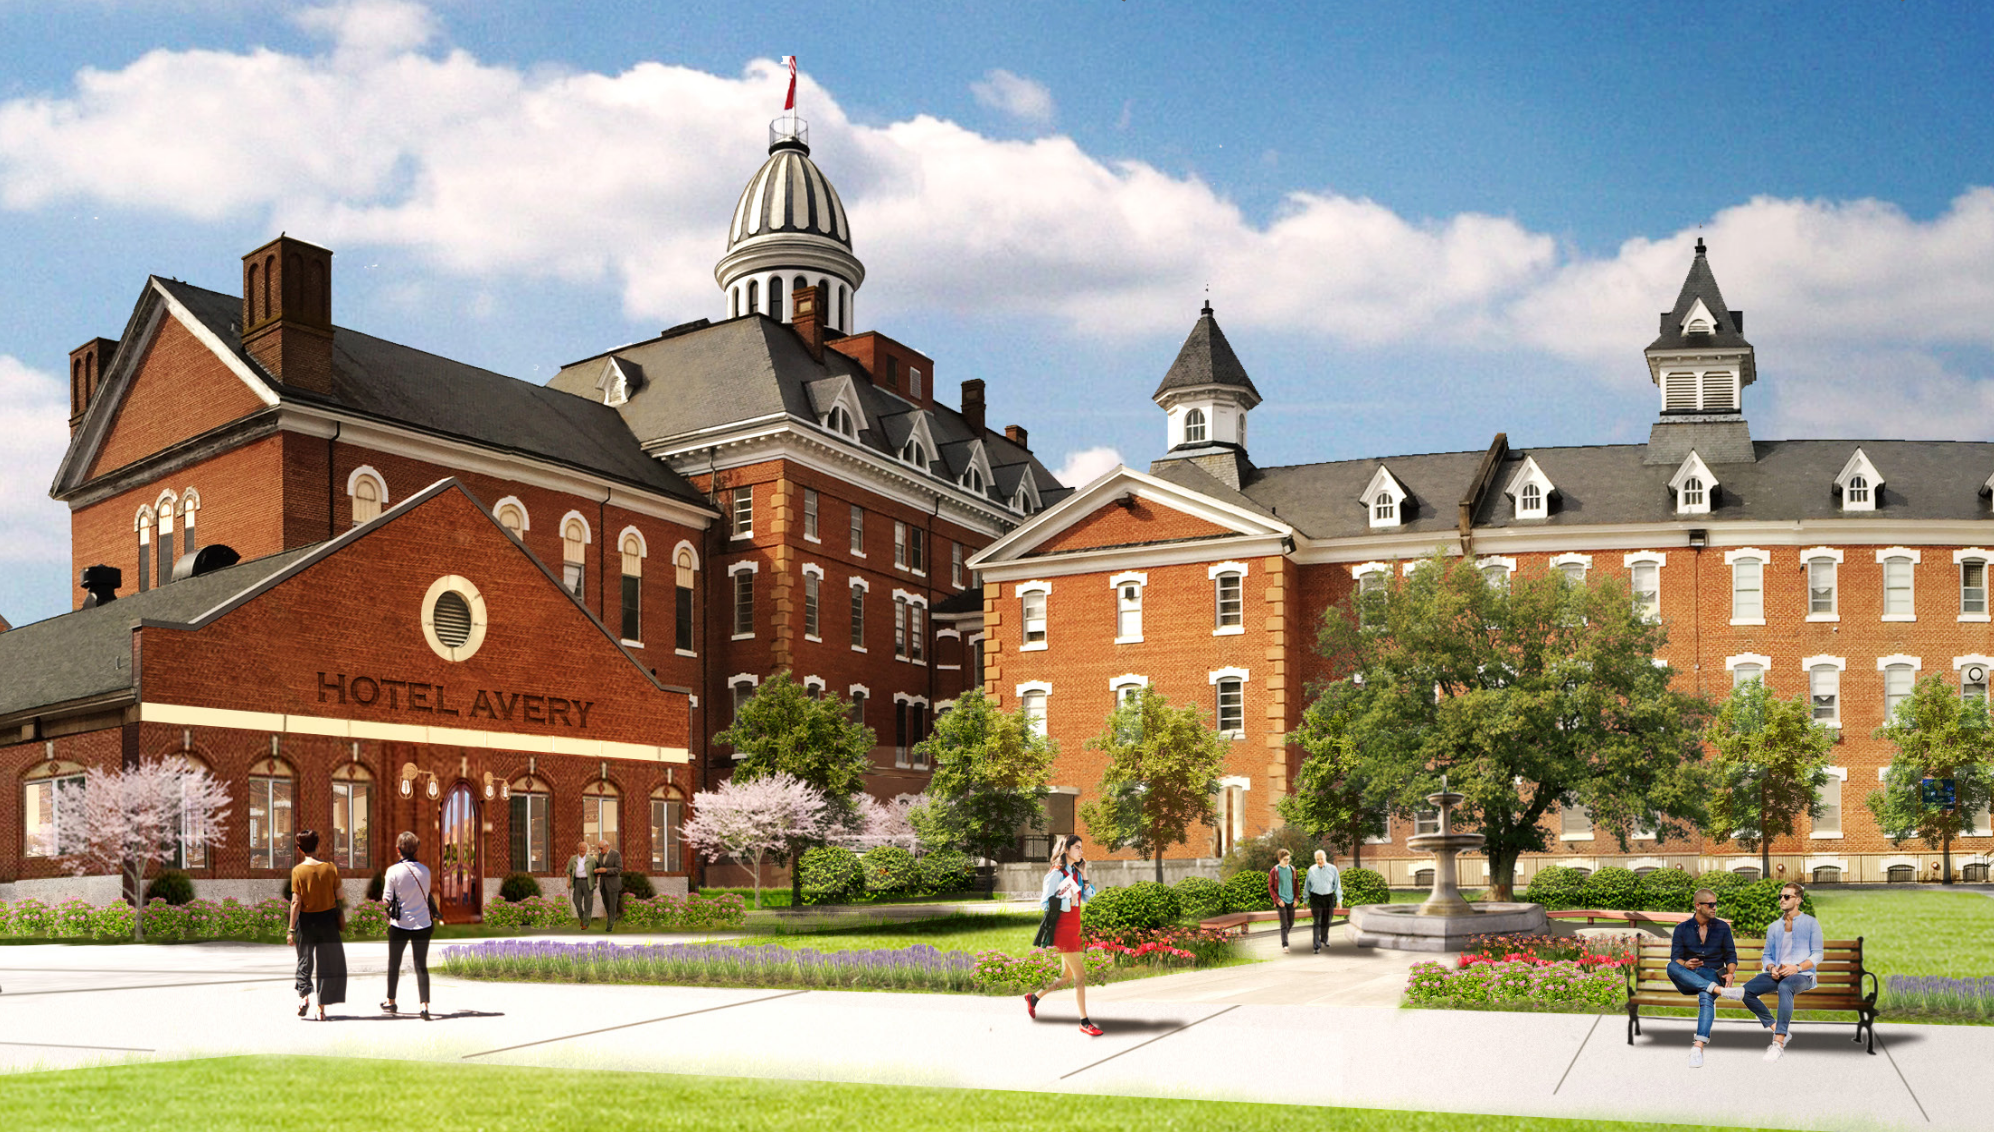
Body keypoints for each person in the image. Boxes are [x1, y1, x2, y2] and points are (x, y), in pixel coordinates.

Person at [1024, 834, 1102, 1036]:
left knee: (1067, 976)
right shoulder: (1056, 874)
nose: (1081, 851)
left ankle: (1033, 998)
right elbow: (1045, 903)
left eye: (1081, 848)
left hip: (1074, 929)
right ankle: (1084, 1021)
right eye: (1077, 847)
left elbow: (1088, 898)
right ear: (1066, 849)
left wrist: (1084, 876)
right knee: (1080, 975)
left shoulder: (1076, 873)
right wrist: (1069, 902)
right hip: (1061, 931)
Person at [1737, 882, 1823, 1061]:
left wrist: (1797, 967)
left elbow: (1817, 955)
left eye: (1787, 896)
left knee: (1785, 986)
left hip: (1802, 976)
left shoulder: (1810, 924)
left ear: (1798, 900)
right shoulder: (1774, 927)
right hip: (1777, 975)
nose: (1781, 900)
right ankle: (1777, 1027)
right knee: (1746, 991)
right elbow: (1767, 956)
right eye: (1780, 897)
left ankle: (1778, 1043)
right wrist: (1772, 968)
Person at [1666, 886, 1739, 1066]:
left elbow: (1730, 955)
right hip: (1688, 978)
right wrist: (1685, 964)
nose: (1715, 908)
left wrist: (1730, 973)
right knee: (1671, 967)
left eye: (1716, 904)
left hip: (1712, 974)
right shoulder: (1682, 929)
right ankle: (1717, 990)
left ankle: (1697, 1047)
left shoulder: (1722, 927)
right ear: (1698, 905)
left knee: (1706, 995)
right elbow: (1676, 958)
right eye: (1710, 904)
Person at [286, 829, 347, 1021]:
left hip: (306, 921)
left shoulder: (298, 871)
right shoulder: (330, 868)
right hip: (328, 920)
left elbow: (296, 902)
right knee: (327, 963)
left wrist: (291, 929)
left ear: (299, 849)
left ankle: (304, 997)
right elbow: (341, 897)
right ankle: (321, 1010)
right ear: (318, 845)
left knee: (304, 960)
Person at [380, 831, 434, 1020]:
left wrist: (391, 903)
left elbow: (386, 900)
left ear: (398, 850)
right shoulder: (425, 870)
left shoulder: (393, 871)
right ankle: (424, 1005)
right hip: (424, 923)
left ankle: (391, 1001)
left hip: (399, 924)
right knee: (421, 965)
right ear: (416, 849)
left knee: (394, 964)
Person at [1305, 849, 1343, 954]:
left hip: (1329, 897)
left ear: (1325, 858)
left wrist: (1339, 900)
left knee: (1327, 920)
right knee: (1317, 922)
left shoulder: (1333, 869)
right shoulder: (1311, 870)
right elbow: (1307, 885)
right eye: (1317, 859)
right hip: (1315, 898)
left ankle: (1324, 939)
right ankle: (1316, 946)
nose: (1319, 861)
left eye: (1321, 859)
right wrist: (1305, 899)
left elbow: (1337, 885)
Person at [1267, 849, 1299, 950]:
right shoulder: (1274, 871)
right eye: (1285, 859)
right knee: (1284, 923)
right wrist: (1277, 900)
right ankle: (1285, 944)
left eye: (1288, 859)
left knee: (1291, 922)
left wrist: (1296, 899)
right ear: (1279, 859)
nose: (1287, 861)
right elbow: (1270, 887)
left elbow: (1297, 886)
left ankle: (1283, 935)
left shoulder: (1293, 870)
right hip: (1281, 901)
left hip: (1291, 900)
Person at [565, 840, 597, 929]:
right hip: (577, 882)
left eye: (584, 847)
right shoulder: (573, 859)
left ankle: (586, 924)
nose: (582, 849)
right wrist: (568, 881)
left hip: (588, 882)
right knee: (576, 900)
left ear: (587, 849)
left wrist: (595, 882)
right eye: (580, 847)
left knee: (588, 903)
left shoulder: (591, 859)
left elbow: (596, 871)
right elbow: (568, 871)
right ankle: (583, 918)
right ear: (578, 849)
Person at [594, 838, 624, 933]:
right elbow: (599, 866)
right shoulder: (600, 855)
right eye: (599, 848)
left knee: (612, 905)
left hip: (613, 884)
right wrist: (597, 870)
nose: (600, 850)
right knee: (606, 903)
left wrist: (606, 870)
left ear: (607, 846)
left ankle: (609, 926)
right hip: (603, 884)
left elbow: (619, 868)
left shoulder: (615, 854)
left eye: (601, 848)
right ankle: (613, 917)